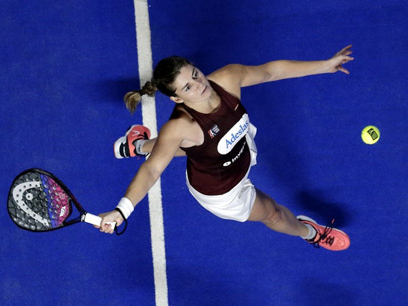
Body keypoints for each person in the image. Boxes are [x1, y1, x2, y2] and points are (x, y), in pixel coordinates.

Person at [96, 45, 354, 251]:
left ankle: (138, 144)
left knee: (197, 146)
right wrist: (122, 210)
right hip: (222, 190)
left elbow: (271, 71)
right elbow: (152, 170)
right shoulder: (180, 127)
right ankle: (310, 232)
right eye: (188, 87)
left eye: (195, 74)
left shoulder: (228, 78)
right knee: (273, 213)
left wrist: (325, 65)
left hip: (234, 150)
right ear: (176, 98)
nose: (199, 85)